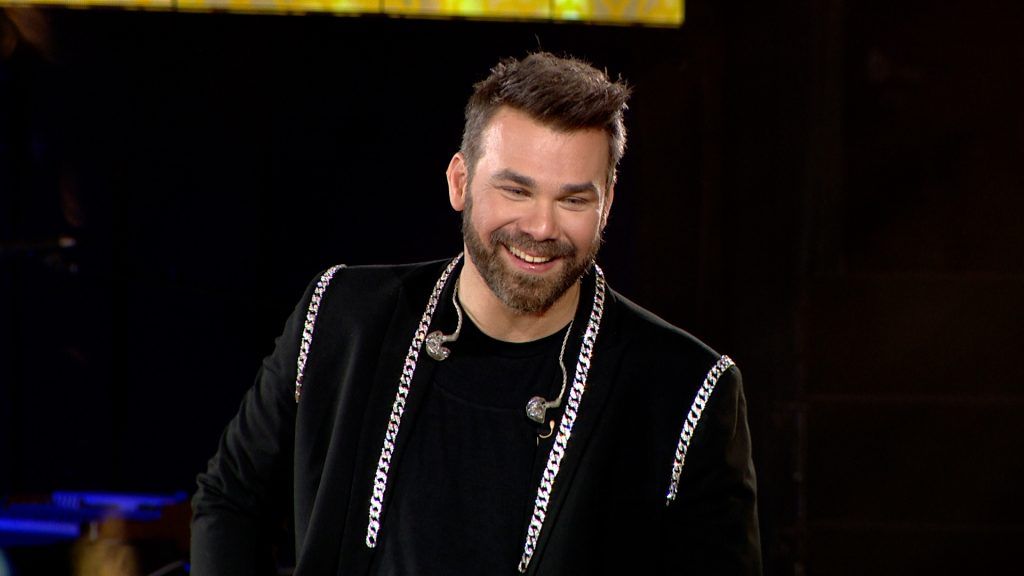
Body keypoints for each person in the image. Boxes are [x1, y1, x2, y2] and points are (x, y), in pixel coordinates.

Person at [191, 52, 761, 575]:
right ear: (460, 182)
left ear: (606, 203)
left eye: (573, 199)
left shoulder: (688, 389)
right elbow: (230, 498)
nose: (541, 227)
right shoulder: (342, 315)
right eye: (516, 191)